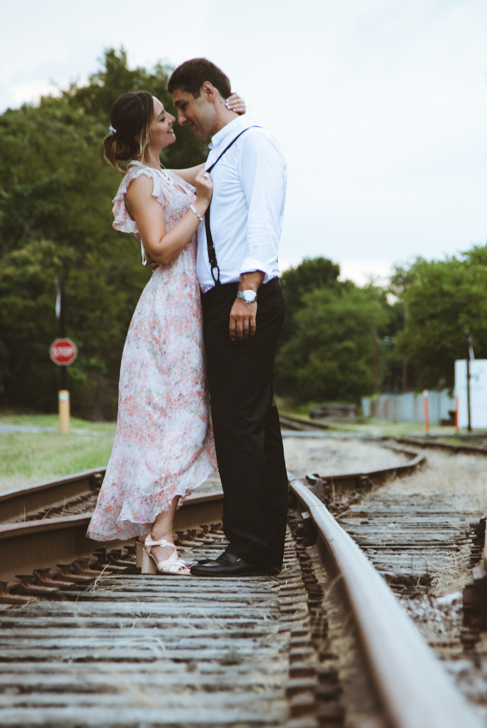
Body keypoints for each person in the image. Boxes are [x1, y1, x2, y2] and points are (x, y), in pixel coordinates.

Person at [85, 89, 244, 575]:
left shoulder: (158, 175)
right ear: (143, 133)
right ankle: (159, 536)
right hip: (166, 318)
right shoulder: (139, 182)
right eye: (162, 117)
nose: (173, 121)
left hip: (185, 314)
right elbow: (158, 250)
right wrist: (198, 208)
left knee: (181, 424)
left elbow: (210, 169)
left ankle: (154, 537)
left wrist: (230, 121)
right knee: (174, 426)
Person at [167, 58, 289, 578]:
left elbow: (263, 219)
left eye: (184, 105)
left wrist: (248, 292)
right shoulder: (223, 149)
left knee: (239, 426)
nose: (182, 117)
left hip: (244, 296)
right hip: (227, 300)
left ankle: (246, 549)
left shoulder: (254, 144)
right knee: (253, 424)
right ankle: (261, 548)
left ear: (209, 91)